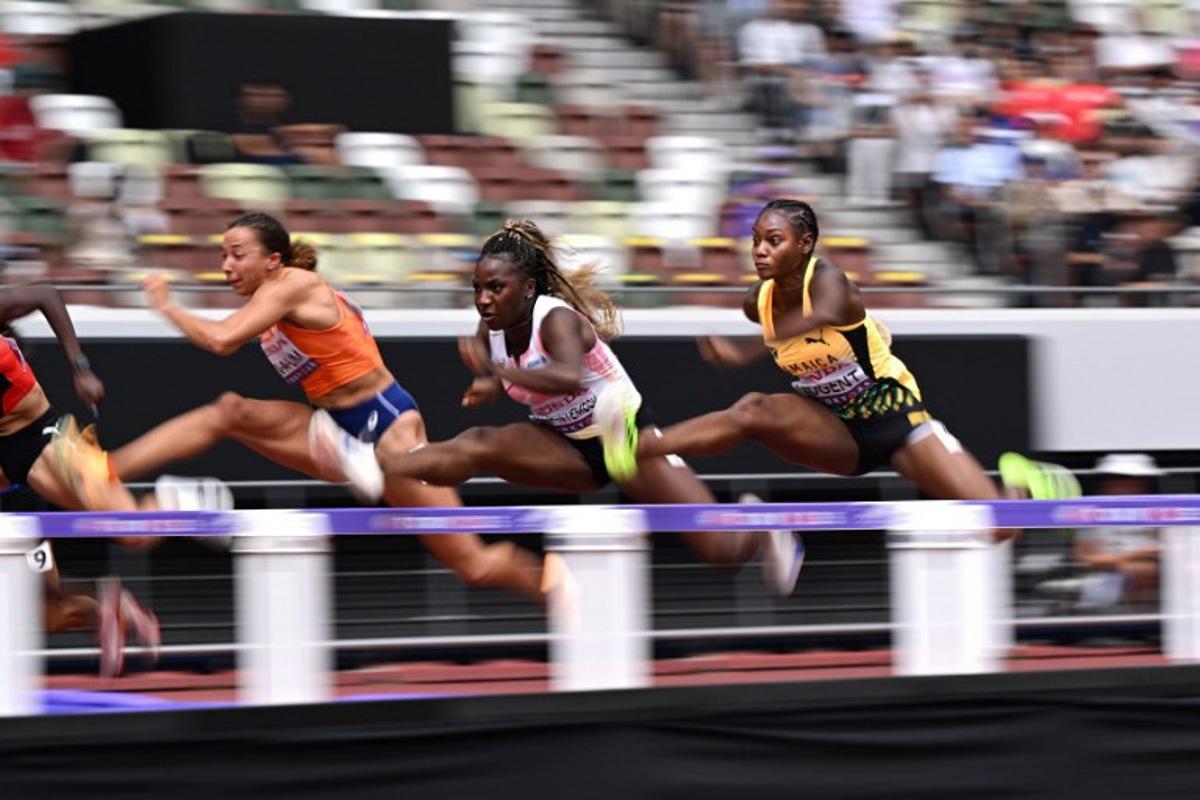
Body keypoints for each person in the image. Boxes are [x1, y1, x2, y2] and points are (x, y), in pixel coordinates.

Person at [56, 212, 545, 602]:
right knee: (230, 410)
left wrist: (166, 305)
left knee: (474, 566)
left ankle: (558, 585)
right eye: (222, 255)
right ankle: (101, 469)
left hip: (387, 424)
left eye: (237, 255)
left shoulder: (292, 285)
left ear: (273, 259)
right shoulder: (272, 304)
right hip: (334, 425)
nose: (226, 266)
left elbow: (223, 340)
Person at [310, 219, 804, 595]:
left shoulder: (557, 320)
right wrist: (486, 381)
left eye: (494, 288)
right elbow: (512, 372)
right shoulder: (495, 323)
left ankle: (757, 529)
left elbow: (565, 375)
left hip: (627, 438)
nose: (482, 300)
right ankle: (374, 464)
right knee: (483, 443)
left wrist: (501, 373)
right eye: (477, 289)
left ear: (527, 288)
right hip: (564, 444)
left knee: (720, 552)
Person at [592, 199, 1010, 534]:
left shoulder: (827, 279)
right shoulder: (757, 302)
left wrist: (744, 352)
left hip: (894, 417)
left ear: (805, 244)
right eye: (755, 240)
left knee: (995, 527)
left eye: (773, 240)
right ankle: (636, 449)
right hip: (833, 427)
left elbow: (824, 311)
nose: (759, 250)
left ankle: (1023, 485)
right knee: (754, 410)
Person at [0, 285, 159, 677]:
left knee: (131, 532)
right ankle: (109, 605)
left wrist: (81, 368)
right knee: (49, 616)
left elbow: (46, 295)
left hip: (35, 445)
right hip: (7, 493)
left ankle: (183, 497)